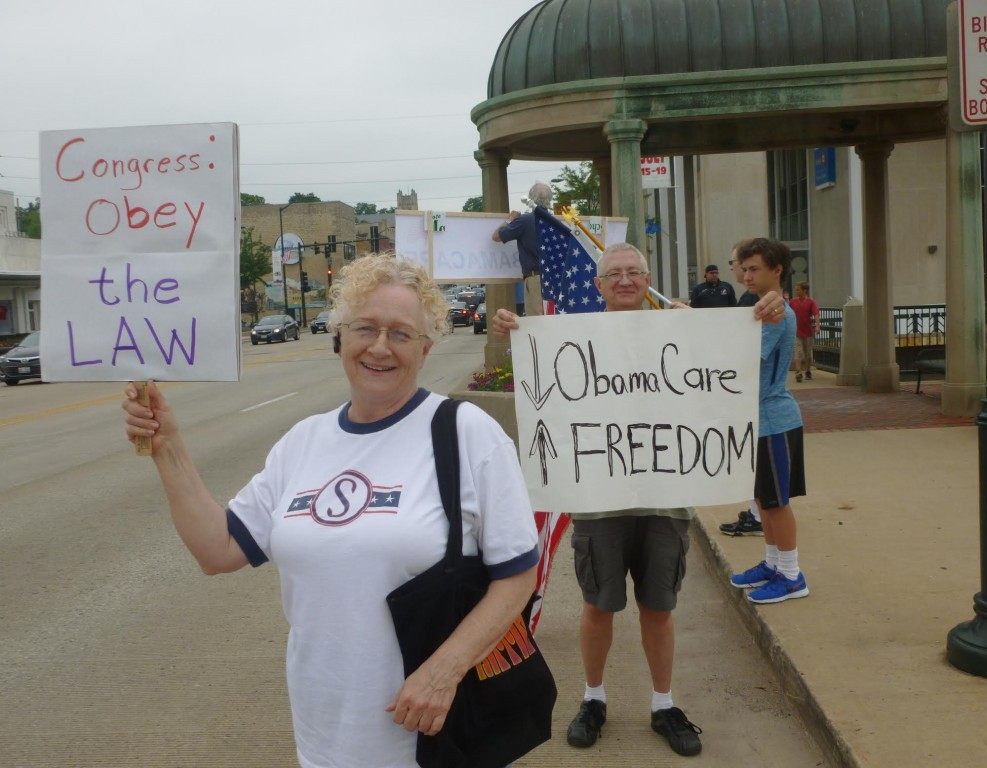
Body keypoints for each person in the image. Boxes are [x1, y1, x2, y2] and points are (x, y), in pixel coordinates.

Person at [122, 254, 540, 768]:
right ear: (339, 336)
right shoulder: (304, 441)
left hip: (433, 730)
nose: (380, 347)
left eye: (401, 334)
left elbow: (517, 576)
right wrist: (169, 448)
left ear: (426, 348)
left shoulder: (466, 432)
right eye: (365, 328)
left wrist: (444, 672)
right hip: (324, 735)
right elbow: (219, 549)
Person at [492, 243, 785, 758]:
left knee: (659, 605)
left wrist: (764, 309)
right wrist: (513, 331)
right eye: (614, 274)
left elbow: (731, 362)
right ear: (600, 285)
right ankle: (594, 697)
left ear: (647, 280)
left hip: (664, 499)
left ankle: (663, 704)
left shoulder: (684, 328)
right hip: (598, 500)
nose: (624, 280)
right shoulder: (572, 338)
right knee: (598, 605)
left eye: (634, 273)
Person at [730, 238, 810, 604]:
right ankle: (773, 563)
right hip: (758, 420)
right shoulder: (760, 307)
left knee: (776, 502)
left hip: (773, 419)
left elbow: (746, 357)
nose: (746, 275)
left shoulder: (776, 313)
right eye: (743, 269)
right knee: (763, 499)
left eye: (754, 269)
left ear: (776, 270)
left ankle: (791, 574)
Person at [720, 240, 763, 536]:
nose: (741, 271)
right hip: (748, 399)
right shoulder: (750, 297)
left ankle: (759, 517)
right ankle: (756, 513)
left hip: (756, 402)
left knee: (758, 471)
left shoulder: (758, 302)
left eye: (749, 267)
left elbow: (743, 351)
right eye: (741, 266)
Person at [492, 181, 552, 316]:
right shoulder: (556, 223)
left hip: (535, 279)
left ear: (530, 199)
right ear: (550, 199)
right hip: (554, 279)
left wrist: (510, 219)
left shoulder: (524, 221)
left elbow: (496, 237)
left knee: (536, 323)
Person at [790, 281, 820, 382]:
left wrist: (817, 326)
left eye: (798, 289)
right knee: (798, 352)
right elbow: (788, 313)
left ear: (804, 290)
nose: (796, 291)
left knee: (807, 354)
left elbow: (816, 314)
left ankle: (807, 370)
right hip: (797, 331)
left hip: (808, 332)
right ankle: (798, 372)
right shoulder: (793, 302)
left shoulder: (811, 302)